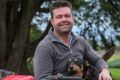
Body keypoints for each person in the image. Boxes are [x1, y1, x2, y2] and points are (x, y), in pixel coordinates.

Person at [33, 1, 112, 80]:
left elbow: (97, 60)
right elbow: (42, 78)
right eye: (59, 17)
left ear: (72, 19)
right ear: (52, 22)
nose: (64, 19)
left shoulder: (81, 41)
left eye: (67, 16)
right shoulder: (45, 47)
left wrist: (105, 71)